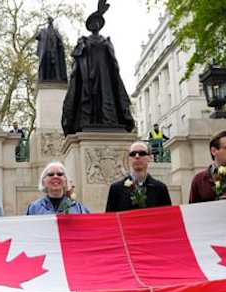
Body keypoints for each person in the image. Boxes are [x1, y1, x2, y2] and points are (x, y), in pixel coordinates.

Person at [62, 0, 135, 135]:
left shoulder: (106, 41)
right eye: (92, 22)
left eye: (97, 22)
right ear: (89, 26)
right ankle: (89, 121)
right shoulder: (84, 41)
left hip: (105, 75)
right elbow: (77, 58)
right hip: (88, 74)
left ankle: (108, 121)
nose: (95, 24)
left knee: (106, 97)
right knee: (89, 98)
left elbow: (113, 62)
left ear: (100, 25)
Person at [105, 141, 172, 212]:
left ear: (150, 157)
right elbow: (110, 219)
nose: (137, 156)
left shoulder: (160, 188)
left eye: (142, 153)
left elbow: (168, 218)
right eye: (133, 154)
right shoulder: (116, 189)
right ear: (129, 159)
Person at [25, 162, 89, 215]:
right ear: (43, 181)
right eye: (51, 174)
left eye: (59, 174)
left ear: (65, 180)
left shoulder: (78, 208)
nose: (55, 176)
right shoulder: (34, 208)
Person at [35, 16, 67, 83]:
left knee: (55, 66)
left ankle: (58, 78)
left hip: (54, 52)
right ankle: (45, 78)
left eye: (51, 19)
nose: (49, 21)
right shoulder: (43, 31)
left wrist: (60, 46)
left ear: (52, 21)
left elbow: (60, 41)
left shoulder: (55, 31)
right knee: (46, 66)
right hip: (46, 52)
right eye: (48, 19)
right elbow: (37, 36)